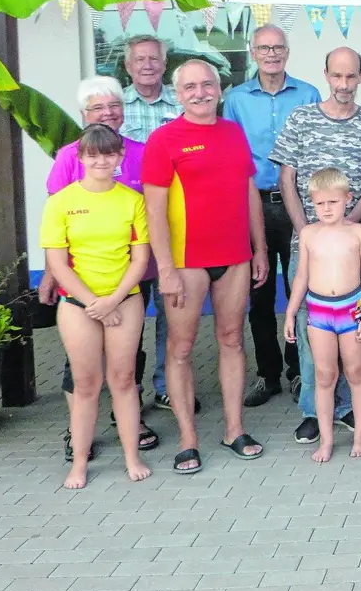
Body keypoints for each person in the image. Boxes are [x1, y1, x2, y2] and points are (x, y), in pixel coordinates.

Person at [142, 59, 269, 474]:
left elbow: (249, 190)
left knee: (232, 339)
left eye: (207, 84)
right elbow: (154, 212)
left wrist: (260, 248)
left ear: (219, 88)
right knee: (180, 349)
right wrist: (165, 268)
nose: (200, 92)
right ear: (178, 94)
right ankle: (188, 438)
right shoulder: (164, 140)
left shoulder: (233, 132)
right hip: (186, 262)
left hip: (234, 257)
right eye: (191, 87)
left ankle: (234, 429)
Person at [270, 47, 361, 445]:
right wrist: (308, 230)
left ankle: (351, 410)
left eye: (350, 77)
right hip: (305, 240)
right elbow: (287, 178)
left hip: (351, 244)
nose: (343, 84)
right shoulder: (301, 118)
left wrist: (345, 226)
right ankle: (314, 409)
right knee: (311, 331)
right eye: (336, 76)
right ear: (325, 74)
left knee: (354, 326)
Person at [41, 76, 160, 462]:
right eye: (97, 108)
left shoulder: (142, 152)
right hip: (79, 287)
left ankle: (130, 422)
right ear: (83, 115)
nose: (107, 114)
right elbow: (57, 237)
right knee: (80, 366)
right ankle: (80, 433)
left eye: (113, 106)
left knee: (128, 360)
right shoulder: (67, 157)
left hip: (131, 279)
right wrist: (53, 276)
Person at [221, 23, 322, 409]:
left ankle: (298, 370)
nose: (272, 54)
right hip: (254, 205)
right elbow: (232, 154)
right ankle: (268, 375)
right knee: (259, 294)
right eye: (264, 48)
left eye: (278, 47)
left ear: (287, 52)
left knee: (302, 288)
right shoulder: (236, 99)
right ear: (253, 52)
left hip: (300, 204)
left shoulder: (309, 94)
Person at [284, 168, 361, 463]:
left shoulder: (358, 232)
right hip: (319, 310)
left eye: (333, 202)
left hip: (352, 309)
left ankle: (360, 433)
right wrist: (290, 314)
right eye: (320, 203)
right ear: (312, 203)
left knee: (355, 371)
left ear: (347, 200)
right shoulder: (309, 234)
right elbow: (301, 278)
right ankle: (326, 440)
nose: (326, 209)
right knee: (325, 375)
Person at [117, 34, 183, 412]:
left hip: (174, 221)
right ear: (128, 66)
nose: (146, 65)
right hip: (127, 228)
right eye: (139, 59)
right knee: (131, 310)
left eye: (153, 59)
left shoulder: (180, 103)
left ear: (163, 64)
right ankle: (128, 388)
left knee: (170, 308)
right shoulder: (116, 107)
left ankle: (166, 385)